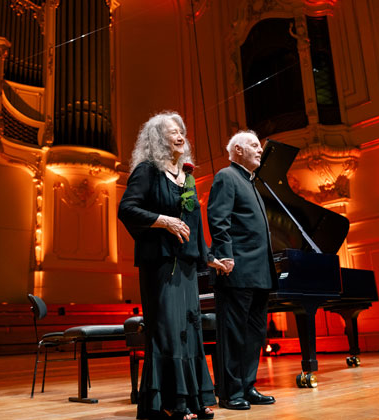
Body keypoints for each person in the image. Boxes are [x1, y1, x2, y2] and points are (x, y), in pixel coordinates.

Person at [118, 111, 224, 420]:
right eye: (170, 132)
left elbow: (193, 224)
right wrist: (162, 221)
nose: (179, 135)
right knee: (167, 330)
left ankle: (193, 398)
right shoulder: (147, 171)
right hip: (161, 265)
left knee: (189, 331)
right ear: (156, 140)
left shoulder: (187, 176)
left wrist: (209, 257)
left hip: (187, 267)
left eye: (180, 130)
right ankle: (169, 402)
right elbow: (127, 209)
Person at [207, 130, 277, 410]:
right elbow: (218, 218)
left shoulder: (252, 183)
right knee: (234, 334)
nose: (260, 150)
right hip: (236, 270)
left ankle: (247, 386)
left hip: (259, 271)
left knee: (254, 334)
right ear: (237, 150)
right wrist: (224, 255)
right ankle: (230, 392)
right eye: (254, 146)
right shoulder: (227, 176)